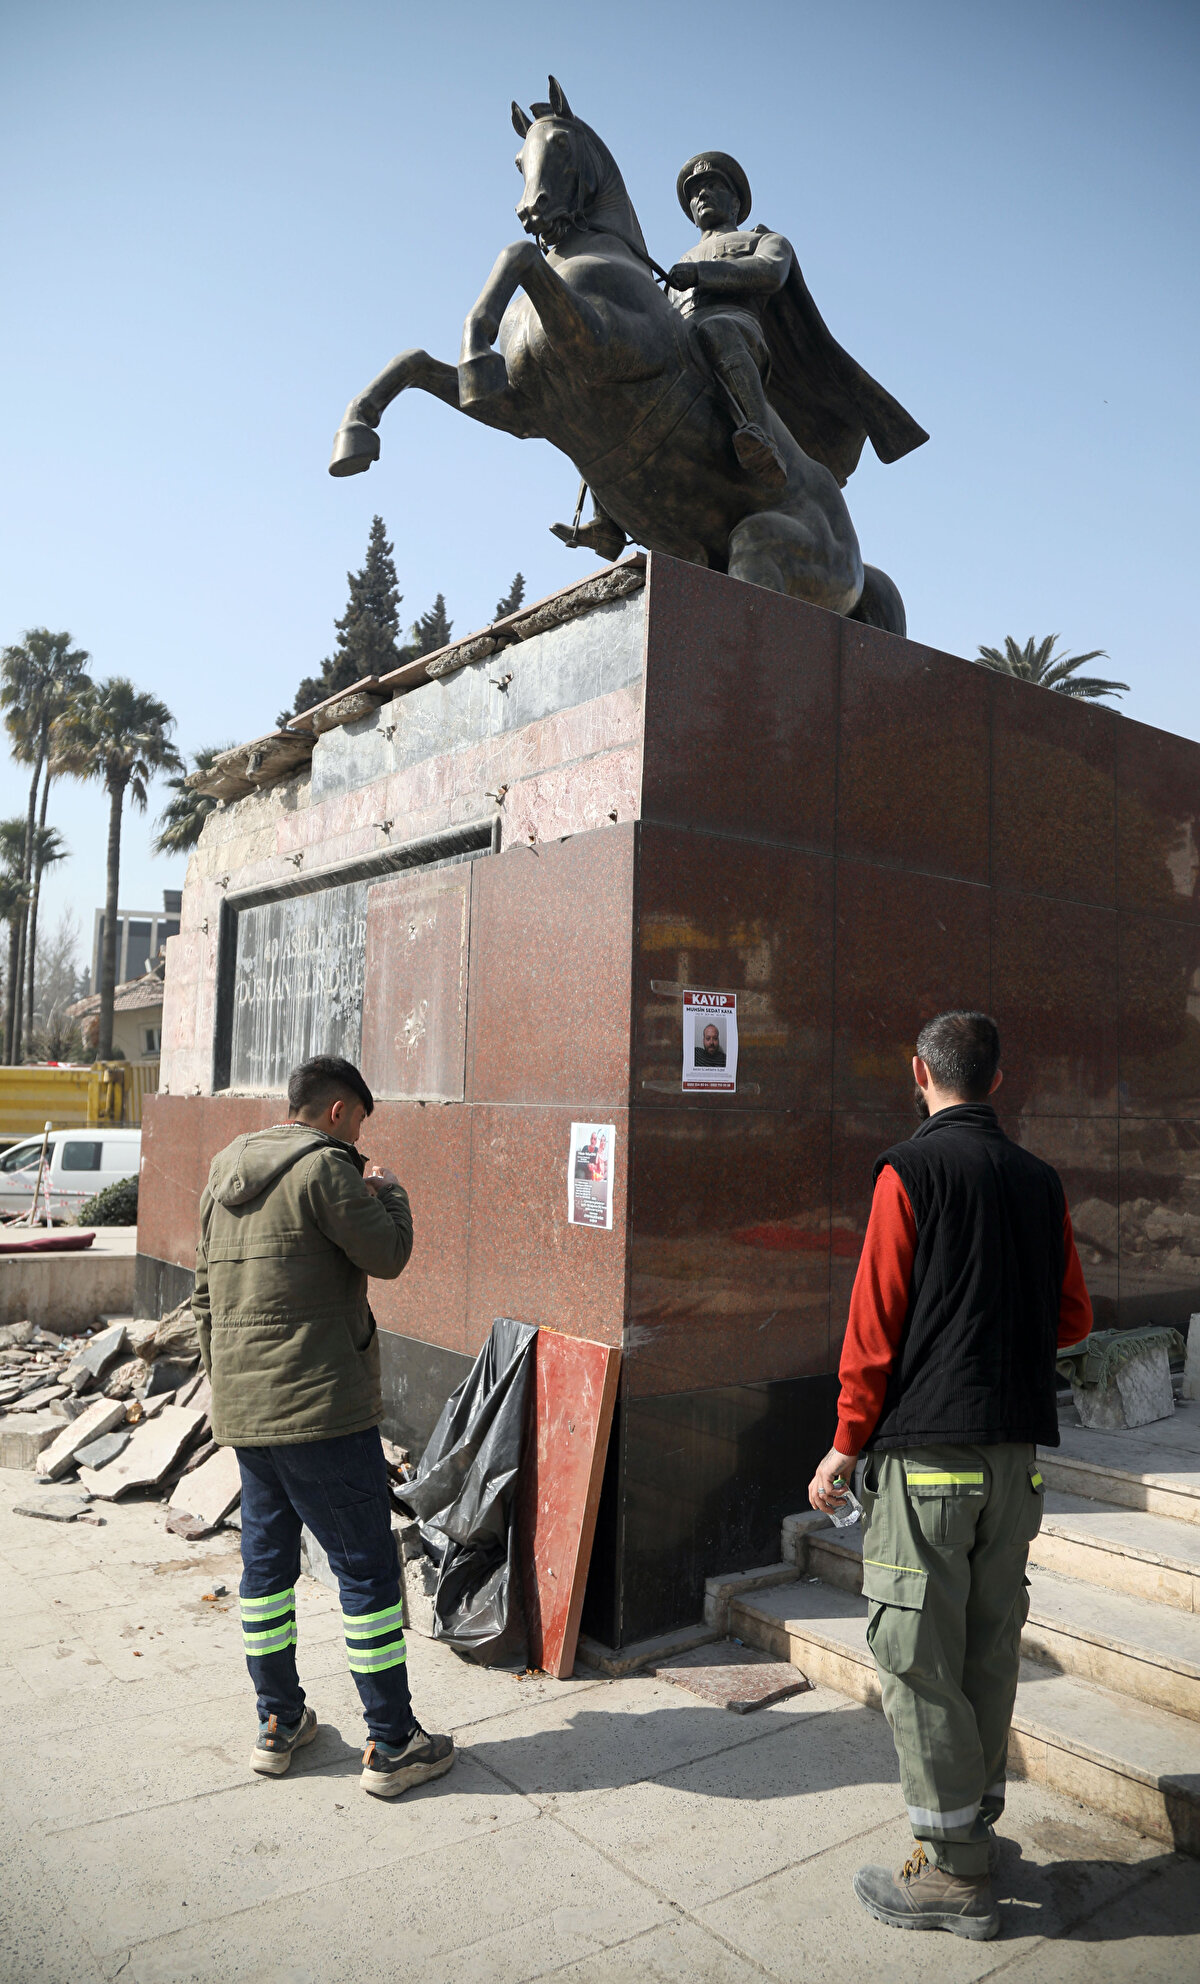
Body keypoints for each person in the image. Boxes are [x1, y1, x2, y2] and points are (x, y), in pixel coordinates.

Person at [808, 1011, 1092, 1941]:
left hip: (928, 1462)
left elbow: (875, 1324)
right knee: (983, 1648)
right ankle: (976, 1831)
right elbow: (1075, 1319)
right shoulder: (1040, 1182)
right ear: (998, 1081)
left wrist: (847, 1443)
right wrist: (996, 1340)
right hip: (1016, 1465)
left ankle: (954, 1873)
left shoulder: (909, 1171)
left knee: (915, 1660)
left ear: (918, 1074)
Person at [192, 1054, 455, 1800]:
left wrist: (231, 1386)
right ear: (339, 1111)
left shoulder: (223, 1168)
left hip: (250, 1412)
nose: (359, 1138)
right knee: (366, 1570)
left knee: (266, 1570)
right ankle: (395, 1741)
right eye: (360, 1124)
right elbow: (389, 1255)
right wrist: (392, 1193)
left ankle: (279, 1721)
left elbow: (202, 1291)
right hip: (320, 1408)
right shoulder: (329, 1170)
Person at [666, 152, 792, 494]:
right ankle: (606, 519)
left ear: (735, 202)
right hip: (683, 339)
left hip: (737, 329)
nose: (701, 195)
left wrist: (700, 274)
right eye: (694, 193)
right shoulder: (680, 259)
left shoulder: (763, 240)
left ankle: (762, 439)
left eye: (710, 186)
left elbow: (769, 272)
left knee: (715, 328)